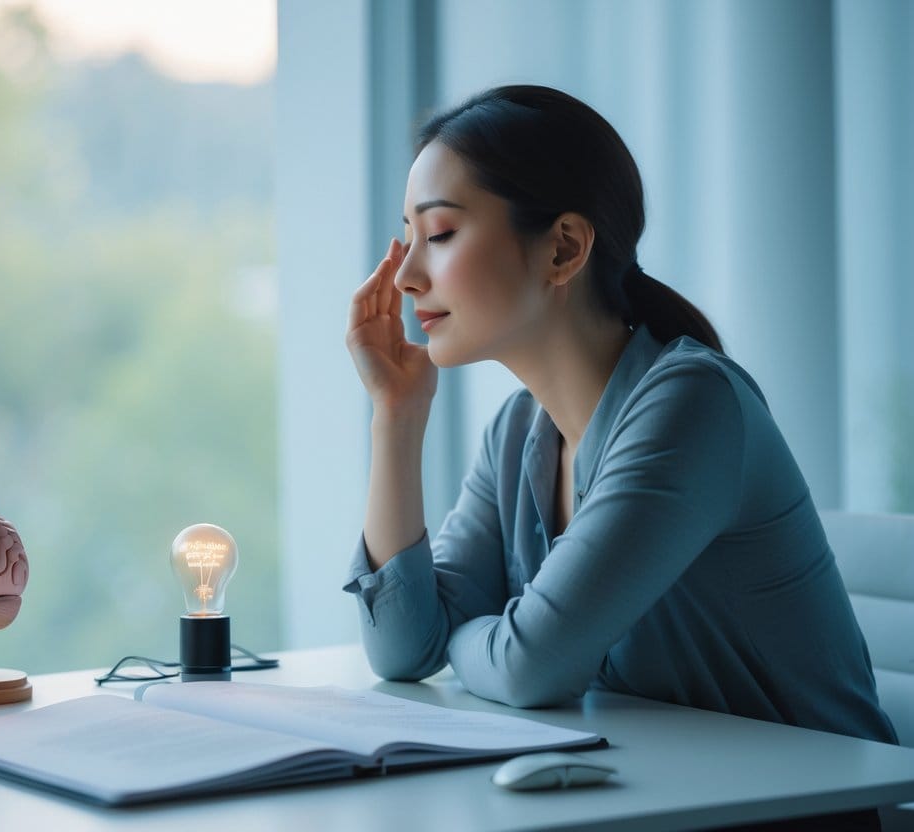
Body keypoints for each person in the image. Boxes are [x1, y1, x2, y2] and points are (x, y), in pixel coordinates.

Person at [342, 85, 897, 751]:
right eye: (406, 239)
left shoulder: (691, 405)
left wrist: (459, 634)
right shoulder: (518, 433)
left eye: (437, 234)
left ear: (563, 249)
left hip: (798, 814)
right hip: (657, 797)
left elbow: (528, 666)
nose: (404, 275)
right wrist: (396, 415)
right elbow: (401, 650)